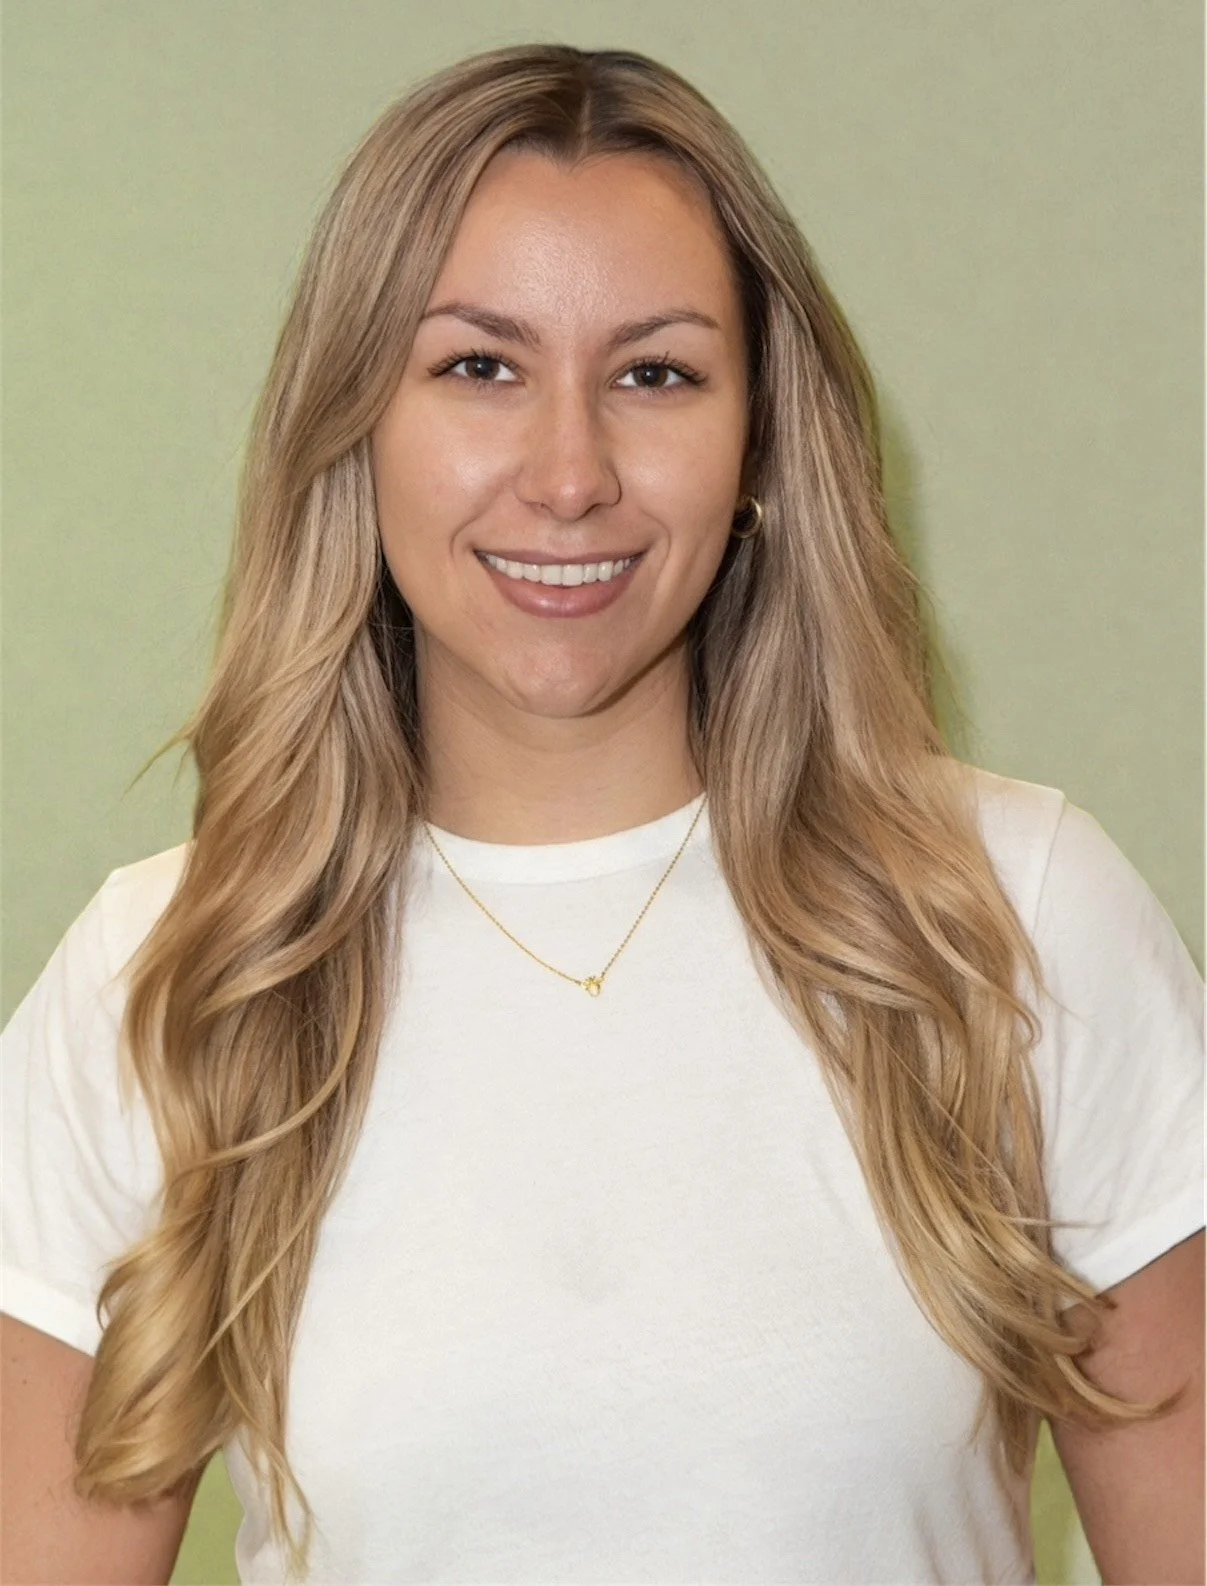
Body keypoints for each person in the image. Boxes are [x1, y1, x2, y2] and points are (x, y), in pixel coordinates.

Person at [2, 41, 1202, 1586]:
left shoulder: (1010, 908)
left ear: (759, 439)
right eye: (478, 367)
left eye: (655, 373)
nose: (569, 475)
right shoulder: (166, 978)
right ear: (355, 428)